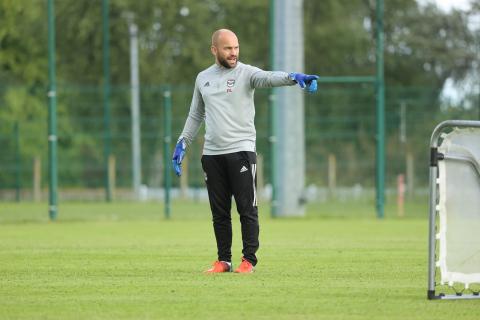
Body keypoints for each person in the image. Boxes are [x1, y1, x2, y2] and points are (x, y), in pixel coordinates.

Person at [172, 29, 318, 273]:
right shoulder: (202, 78)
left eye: (236, 48)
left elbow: (269, 78)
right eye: (228, 48)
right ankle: (223, 260)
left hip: (241, 152)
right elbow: (196, 114)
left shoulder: (246, 73)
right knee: (219, 212)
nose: (234, 53)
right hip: (211, 155)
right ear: (214, 50)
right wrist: (182, 142)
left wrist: (293, 77)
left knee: (246, 209)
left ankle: (248, 260)